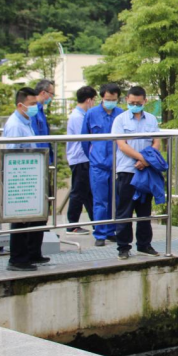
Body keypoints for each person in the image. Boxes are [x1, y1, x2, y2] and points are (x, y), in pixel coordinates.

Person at [111, 86, 161, 260]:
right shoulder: (120, 120)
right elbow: (122, 145)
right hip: (127, 170)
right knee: (125, 209)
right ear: (127, 100)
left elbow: (156, 142)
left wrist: (146, 161)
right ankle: (123, 247)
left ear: (145, 101)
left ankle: (144, 244)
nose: (135, 105)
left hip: (146, 171)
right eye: (132, 102)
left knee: (144, 210)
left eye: (138, 103)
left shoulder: (151, 119)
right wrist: (141, 158)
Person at [3, 87, 48, 271]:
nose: (35, 107)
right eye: (31, 104)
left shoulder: (26, 121)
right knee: (20, 218)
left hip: (32, 174)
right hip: (21, 177)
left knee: (36, 216)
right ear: (20, 105)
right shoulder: (15, 125)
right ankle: (18, 259)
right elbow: (11, 153)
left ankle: (32, 253)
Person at [81, 83, 124, 246]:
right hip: (98, 165)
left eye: (114, 99)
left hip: (117, 164)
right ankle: (100, 233)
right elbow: (84, 140)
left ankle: (112, 231)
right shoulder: (91, 114)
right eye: (108, 99)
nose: (110, 102)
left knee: (115, 199)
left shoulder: (121, 114)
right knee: (100, 201)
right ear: (102, 98)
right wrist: (93, 157)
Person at [65, 86, 97, 235]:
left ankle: (96, 222)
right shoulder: (78, 117)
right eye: (94, 100)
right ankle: (72, 224)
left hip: (83, 158)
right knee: (79, 191)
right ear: (89, 100)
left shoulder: (80, 115)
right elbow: (85, 138)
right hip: (80, 158)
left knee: (88, 192)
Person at [31, 79, 55, 164]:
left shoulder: (40, 110)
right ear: (43, 93)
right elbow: (34, 136)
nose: (52, 97)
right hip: (39, 158)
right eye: (51, 94)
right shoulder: (33, 110)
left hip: (44, 155)